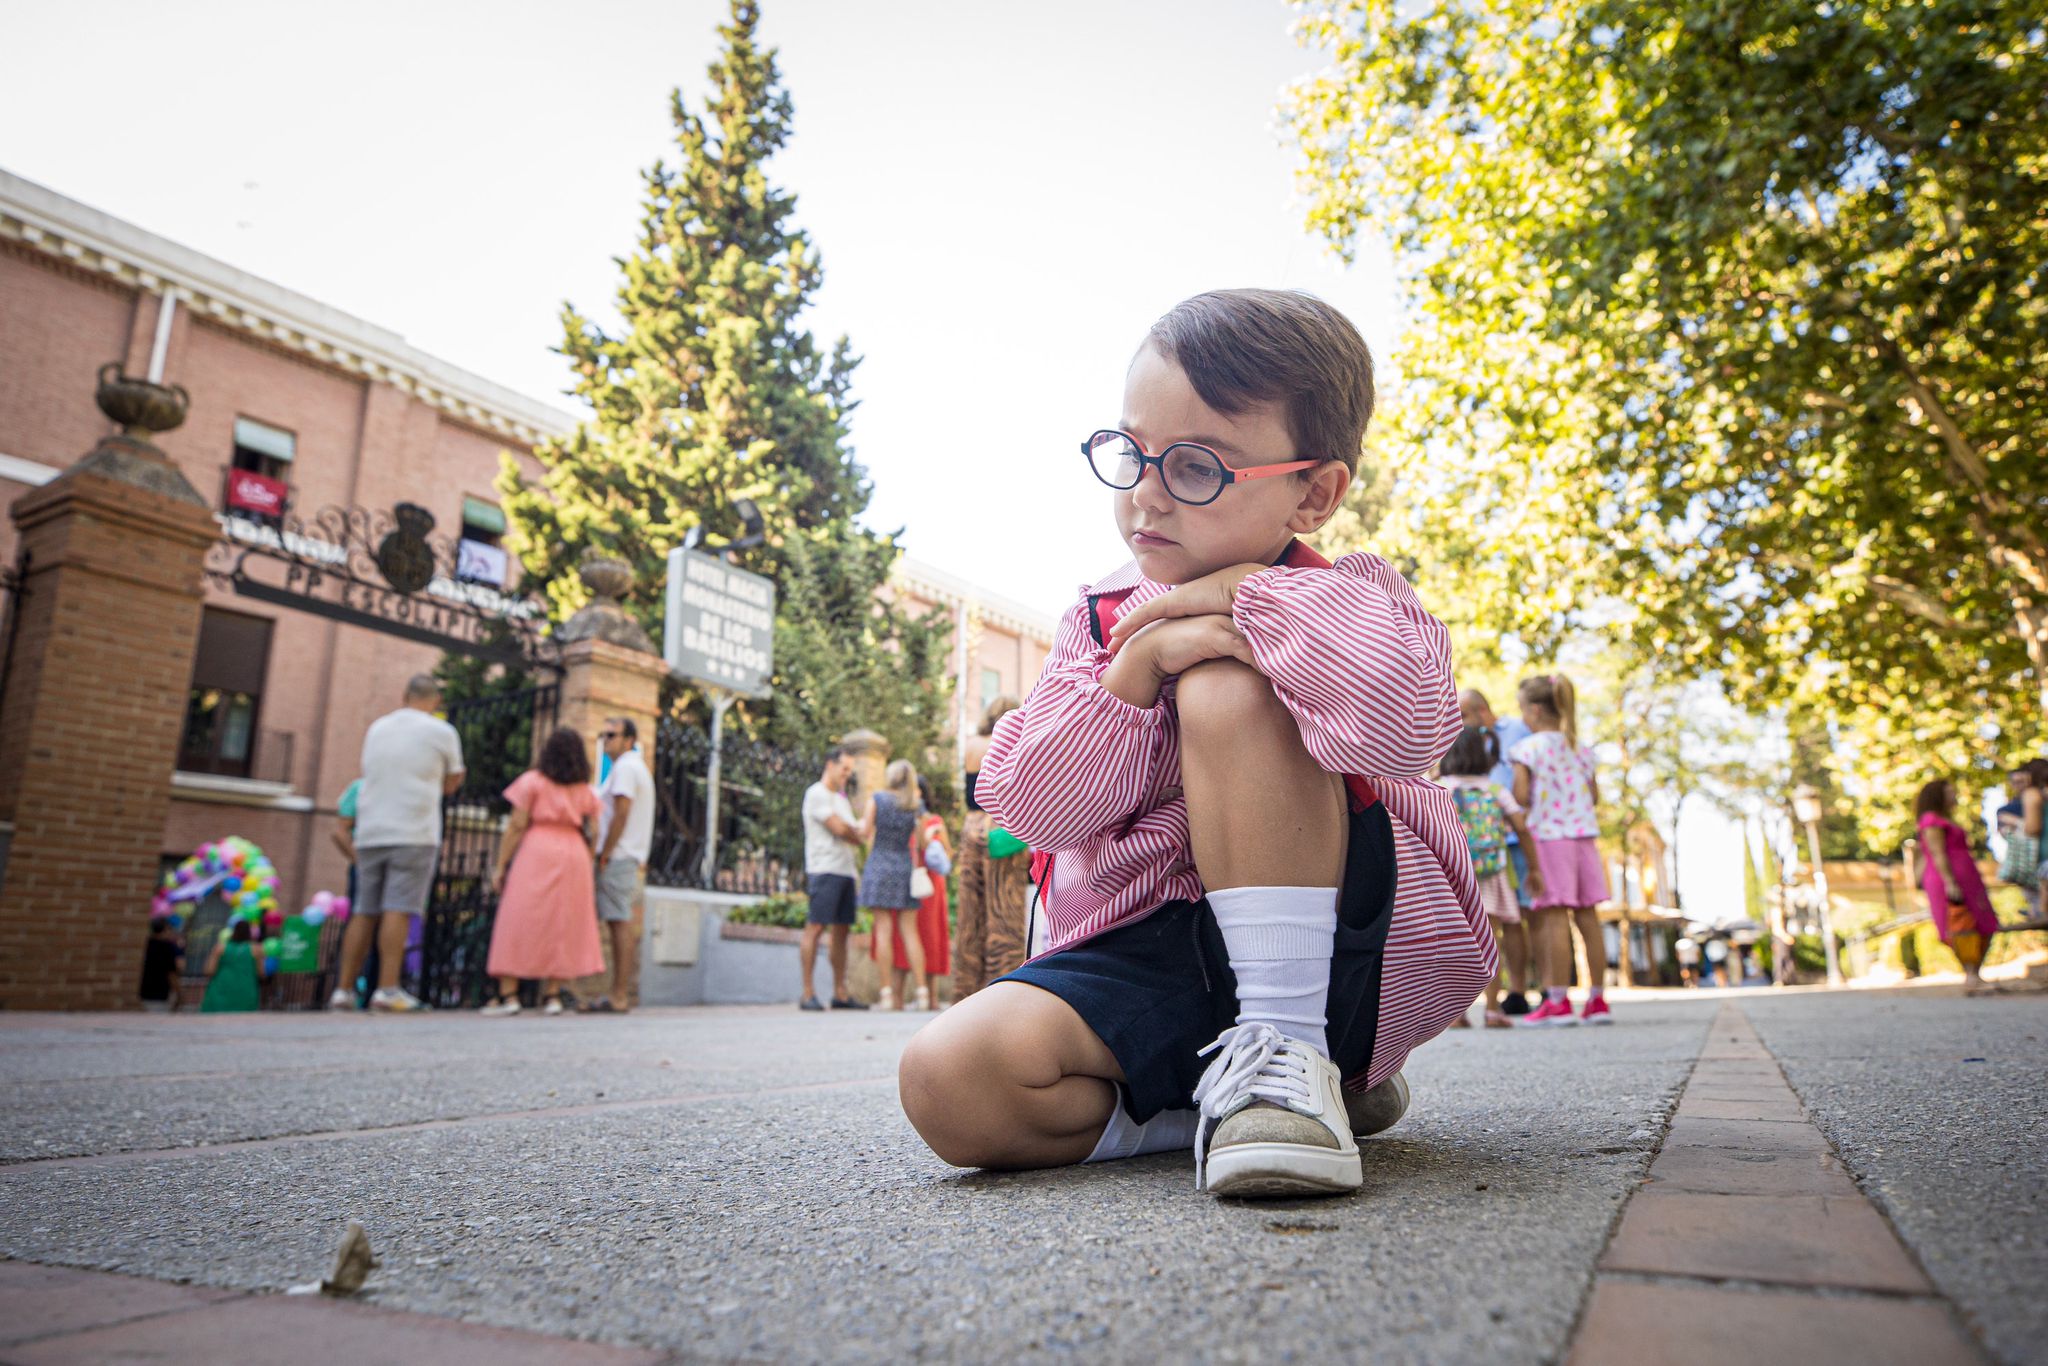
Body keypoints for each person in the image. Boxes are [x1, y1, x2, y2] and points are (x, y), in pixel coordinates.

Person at [899, 288, 1491, 1199]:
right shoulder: (1098, 624)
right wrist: (1133, 671)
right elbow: (1031, 806)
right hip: (1145, 951)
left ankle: (1291, 1053)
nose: (1145, 496)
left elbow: (1407, 724)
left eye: (1196, 469)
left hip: (1333, 950)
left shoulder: (1352, 598)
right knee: (947, 1082)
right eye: (1130, 453)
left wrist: (1261, 604)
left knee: (1224, 685)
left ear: (1314, 491)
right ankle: (1255, 1100)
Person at [331, 675, 464, 1013]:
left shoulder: (378, 728)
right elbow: (452, 782)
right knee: (398, 908)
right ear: (435, 700)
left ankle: (343, 990)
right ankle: (387, 990)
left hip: (371, 831)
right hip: (413, 830)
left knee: (363, 910)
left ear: (405, 695)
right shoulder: (441, 732)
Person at [1509, 673, 1612, 1026]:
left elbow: (1521, 797)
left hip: (1550, 840)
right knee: (1588, 916)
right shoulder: (1581, 748)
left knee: (1554, 916)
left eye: (1522, 708)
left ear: (1535, 711)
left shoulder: (1527, 749)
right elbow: (1594, 796)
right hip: (1584, 838)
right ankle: (1597, 1000)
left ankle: (1558, 1001)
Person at [481, 728, 605, 1016]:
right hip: (573, 851)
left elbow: (516, 825)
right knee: (563, 921)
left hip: (537, 849)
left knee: (518, 916)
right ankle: (553, 995)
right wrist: (587, 856)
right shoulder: (585, 790)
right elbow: (596, 829)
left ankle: (509, 995)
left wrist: (501, 865)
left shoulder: (532, 782)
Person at [1437, 726, 1546, 1027]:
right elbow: (1522, 828)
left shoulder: (1441, 787)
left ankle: (1457, 1014)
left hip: (1454, 877)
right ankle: (1493, 1009)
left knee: (1457, 944)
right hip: (1493, 874)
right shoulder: (1496, 790)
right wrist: (1534, 869)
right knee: (1490, 942)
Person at [1460, 688, 1537, 1011]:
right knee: (1494, 923)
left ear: (1480, 710)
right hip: (1484, 850)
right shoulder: (1468, 744)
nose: (1459, 723)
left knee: (1517, 916)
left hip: (1512, 843)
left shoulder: (1516, 730)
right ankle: (1484, 1005)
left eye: (1463, 715)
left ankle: (1518, 990)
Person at [953, 695, 1031, 1000]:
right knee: (1004, 913)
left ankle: (964, 992)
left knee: (970, 916)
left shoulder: (972, 744)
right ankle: (999, 996)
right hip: (1002, 827)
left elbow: (968, 794)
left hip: (970, 826)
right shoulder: (1009, 740)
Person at [1907, 778, 2000, 996]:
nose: (1954, 795)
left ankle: (1975, 974)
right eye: (1950, 792)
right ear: (1938, 796)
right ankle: (1970, 975)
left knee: (1985, 922)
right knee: (1960, 923)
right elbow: (1937, 853)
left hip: (1966, 876)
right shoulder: (1931, 820)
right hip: (1947, 878)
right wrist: (1950, 882)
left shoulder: (1945, 818)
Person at [588, 717, 655, 1013]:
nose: (606, 740)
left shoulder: (627, 767)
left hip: (619, 856)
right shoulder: (631, 767)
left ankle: (619, 994)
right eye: (604, 735)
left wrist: (605, 852)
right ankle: (619, 993)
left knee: (619, 923)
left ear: (628, 739)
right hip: (626, 855)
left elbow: (622, 812)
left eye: (612, 735)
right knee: (619, 921)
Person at [799, 747, 871, 1011]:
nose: (847, 774)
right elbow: (842, 830)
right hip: (824, 869)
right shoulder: (816, 794)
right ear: (830, 764)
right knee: (816, 928)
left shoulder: (840, 800)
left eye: (850, 770)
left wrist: (852, 832)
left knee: (842, 931)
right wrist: (852, 832)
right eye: (844, 769)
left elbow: (853, 833)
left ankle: (840, 993)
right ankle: (807, 993)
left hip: (845, 871)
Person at [877, 774, 954, 1009]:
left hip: (929, 885)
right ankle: (898, 997)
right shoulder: (901, 816)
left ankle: (930, 997)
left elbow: (949, 855)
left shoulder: (934, 821)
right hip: (906, 882)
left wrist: (931, 840)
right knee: (902, 939)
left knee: (931, 937)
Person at [861, 759, 931, 1011]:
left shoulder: (877, 799)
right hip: (904, 868)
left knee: (883, 930)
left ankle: (887, 994)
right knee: (910, 932)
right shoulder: (914, 804)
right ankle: (923, 993)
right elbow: (922, 843)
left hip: (879, 865)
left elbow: (865, 831)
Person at [200, 920, 262, 1013]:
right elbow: (261, 972)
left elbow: (209, 970)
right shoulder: (256, 949)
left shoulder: (220, 948)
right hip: (246, 991)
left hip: (220, 991)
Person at [139, 916, 184, 1012]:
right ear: (165, 929)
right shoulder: (167, 947)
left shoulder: (147, 944)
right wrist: (179, 994)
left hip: (145, 992)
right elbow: (173, 971)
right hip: (160, 993)